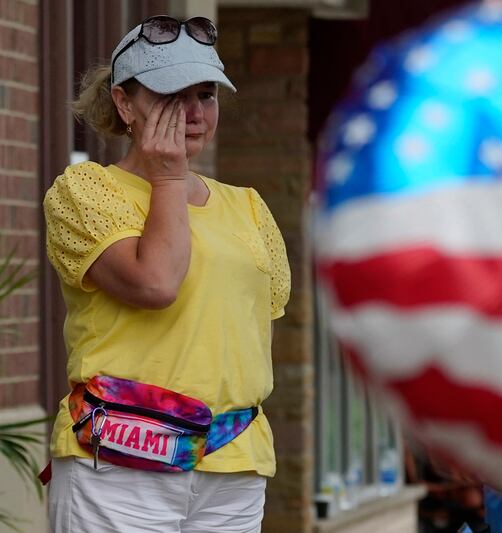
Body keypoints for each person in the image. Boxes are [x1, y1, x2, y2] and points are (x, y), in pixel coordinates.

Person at [42, 15, 290, 532]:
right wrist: (170, 176)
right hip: (118, 461)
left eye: (206, 94)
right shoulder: (84, 190)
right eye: (171, 94)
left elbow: (248, 335)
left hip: (233, 463)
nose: (193, 112)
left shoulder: (247, 206)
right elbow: (155, 284)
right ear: (124, 103)